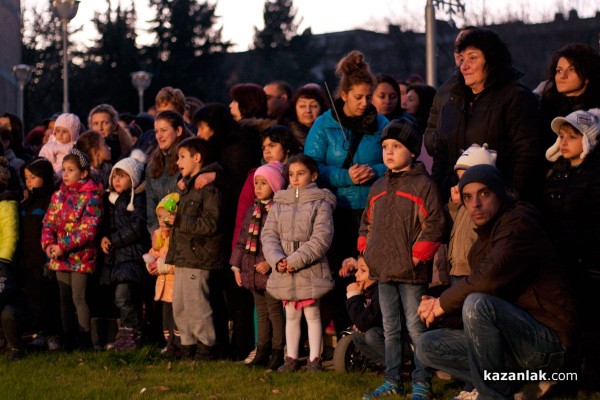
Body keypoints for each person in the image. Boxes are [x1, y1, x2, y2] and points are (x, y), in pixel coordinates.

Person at [415, 164, 577, 400]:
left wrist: (443, 302)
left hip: (548, 344)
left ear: (499, 193)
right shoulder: (483, 240)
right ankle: (514, 387)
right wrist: (439, 311)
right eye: (468, 197)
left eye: (484, 194)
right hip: (515, 343)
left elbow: (487, 279)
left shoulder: (519, 223)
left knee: (478, 304)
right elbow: (486, 308)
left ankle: (491, 395)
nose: (475, 204)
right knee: (427, 345)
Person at [359, 118, 445, 400]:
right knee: (390, 328)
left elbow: (435, 223)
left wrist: (418, 256)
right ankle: (393, 380)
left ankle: (422, 381)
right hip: (383, 271)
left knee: (416, 328)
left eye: (396, 146)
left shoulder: (423, 185)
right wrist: (366, 250)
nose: (389, 152)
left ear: (411, 151)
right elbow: (366, 223)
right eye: (385, 146)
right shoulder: (378, 186)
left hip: (411, 273)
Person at [304, 50, 388, 334]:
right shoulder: (325, 124)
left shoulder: (382, 124)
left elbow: (397, 158)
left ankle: (374, 332)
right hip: (337, 210)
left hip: (373, 209)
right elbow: (311, 166)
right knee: (342, 271)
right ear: (344, 94)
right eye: (359, 97)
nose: (365, 103)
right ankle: (344, 331)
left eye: (369, 97)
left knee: (373, 270)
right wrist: (344, 176)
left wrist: (374, 171)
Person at [431, 28, 545, 204]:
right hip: (453, 203)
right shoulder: (453, 102)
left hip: (494, 204)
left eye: (473, 57)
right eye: (462, 59)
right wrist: (436, 198)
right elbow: (440, 157)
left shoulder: (515, 97)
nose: (464, 66)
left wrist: (509, 197)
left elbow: (527, 155)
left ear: (492, 61)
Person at [262, 154, 336, 372]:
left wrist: (295, 260)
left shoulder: (321, 203)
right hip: (284, 269)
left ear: (313, 175)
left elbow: (321, 238)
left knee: (312, 314)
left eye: (300, 173)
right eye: (291, 174)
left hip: (310, 269)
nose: (294, 178)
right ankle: (291, 358)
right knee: (291, 314)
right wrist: (278, 260)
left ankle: (315, 359)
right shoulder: (279, 203)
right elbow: (269, 235)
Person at [544, 108, 600, 392]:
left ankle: (589, 378)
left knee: (590, 321)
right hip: (563, 261)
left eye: (572, 136)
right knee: (568, 320)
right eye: (561, 136)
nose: (564, 142)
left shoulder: (593, 176)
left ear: (588, 139)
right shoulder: (555, 174)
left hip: (589, 262)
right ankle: (568, 375)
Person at [165, 137, 224, 361]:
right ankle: (187, 344)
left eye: (182, 156)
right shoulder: (187, 186)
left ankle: (206, 345)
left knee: (196, 304)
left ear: (197, 158)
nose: (178, 161)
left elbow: (211, 224)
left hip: (198, 256)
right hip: (183, 255)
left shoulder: (208, 189)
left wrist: (179, 220)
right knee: (180, 304)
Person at [41, 148, 103, 350]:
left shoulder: (91, 196)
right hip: (59, 256)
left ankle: (85, 340)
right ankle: (68, 339)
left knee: (78, 297)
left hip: (80, 257)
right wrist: (49, 244)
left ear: (83, 173)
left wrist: (63, 246)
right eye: (64, 170)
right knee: (64, 298)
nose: (65, 174)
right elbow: (48, 223)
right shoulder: (58, 196)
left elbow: (88, 230)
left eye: (71, 170)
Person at [230, 163, 286, 370]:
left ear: (275, 185)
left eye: (264, 183)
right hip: (251, 269)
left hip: (268, 270)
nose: (258, 187)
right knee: (261, 311)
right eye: (256, 183)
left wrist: (270, 263)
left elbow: (282, 242)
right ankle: (262, 348)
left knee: (274, 311)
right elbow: (242, 240)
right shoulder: (252, 210)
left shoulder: (278, 211)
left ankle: (278, 350)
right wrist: (236, 266)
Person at [100, 150, 150, 351]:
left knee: (124, 296)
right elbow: (103, 224)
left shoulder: (137, 199)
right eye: (115, 175)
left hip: (131, 256)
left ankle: (132, 332)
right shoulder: (108, 199)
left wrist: (113, 240)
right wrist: (103, 238)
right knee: (122, 298)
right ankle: (129, 336)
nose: (117, 180)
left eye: (122, 176)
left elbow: (137, 227)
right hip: (115, 259)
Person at [18, 158, 61, 350]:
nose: (29, 182)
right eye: (26, 178)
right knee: (34, 298)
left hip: (45, 258)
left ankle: (54, 334)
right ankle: (41, 333)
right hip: (28, 259)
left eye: (33, 177)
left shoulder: (52, 200)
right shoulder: (26, 203)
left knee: (49, 298)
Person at [448, 143, 497, 282]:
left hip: (474, 269)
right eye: (460, 179)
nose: (462, 184)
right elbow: (454, 226)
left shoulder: (485, 205)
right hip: (456, 268)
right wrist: (455, 205)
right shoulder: (465, 201)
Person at [540, 44, 600, 150]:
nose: (562, 76)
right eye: (559, 71)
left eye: (571, 70)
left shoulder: (595, 113)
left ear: (586, 76)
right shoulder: (545, 106)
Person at [143, 193, 180, 357]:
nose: (162, 221)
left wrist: (161, 267)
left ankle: (176, 345)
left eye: (166, 217)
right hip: (163, 287)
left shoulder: (177, 237)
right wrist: (149, 262)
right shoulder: (158, 236)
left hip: (176, 286)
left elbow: (177, 263)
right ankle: (168, 344)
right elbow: (155, 253)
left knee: (176, 318)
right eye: (159, 217)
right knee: (165, 318)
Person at [345, 256, 384, 366]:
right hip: (382, 333)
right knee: (357, 336)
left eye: (363, 270)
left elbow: (364, 322)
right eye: (357, 269)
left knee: (371, 335)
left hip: (401, 341)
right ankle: (384, 364)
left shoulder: (381, 292)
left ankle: (398, 364)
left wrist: (353, 296)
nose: (356, 274)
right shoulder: (368, 291)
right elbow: (360, 321)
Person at [285, 85, 329, 149]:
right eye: (302, 106)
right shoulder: (286, 134)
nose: (308, 110)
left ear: (322, 108)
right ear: (295, 109)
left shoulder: (332, 132)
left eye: (313, 106)